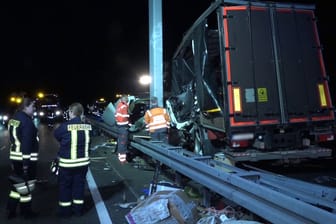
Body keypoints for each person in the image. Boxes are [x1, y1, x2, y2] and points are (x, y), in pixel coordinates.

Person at [53, 102, 92, 217]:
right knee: (79, 186)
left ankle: (65, 212)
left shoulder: (65, 126)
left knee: (65, 187)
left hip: (67, 164)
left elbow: (56, 135)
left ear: (71, 112)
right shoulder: (88, 126)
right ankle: (78, 211)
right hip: (83, 163)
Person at [6, 97, 39, 219]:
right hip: (26, 159)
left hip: (15, 157)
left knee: (17, 184)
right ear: (25, 107)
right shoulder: (27, 122)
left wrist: (13, 161)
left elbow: (14, 140)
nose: (34, 109)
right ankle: (26, 211)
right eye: (32, 106)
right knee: (27, 187)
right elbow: (26, 145)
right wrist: (26, 164)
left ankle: (11, 210)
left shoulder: (14, 119)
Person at [114, 94, 130, 163]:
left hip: (120, 127)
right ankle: (122, 160)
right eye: (127, 99)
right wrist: (128, 123)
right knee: (123, 143)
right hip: (123, 127)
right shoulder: (124, 106)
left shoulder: (119, 105)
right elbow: (125, 117)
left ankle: (121, 157)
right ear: (126, 100)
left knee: (120, 142)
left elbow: (118, 116)